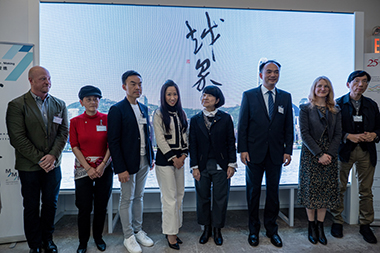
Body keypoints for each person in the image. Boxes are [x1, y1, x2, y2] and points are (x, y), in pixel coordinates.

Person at [6, 66, 69, 253]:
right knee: (32, 206)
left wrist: (53, 156)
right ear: (31, 80)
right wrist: (42, 160)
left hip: (53, 166)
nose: (47, 82)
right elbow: (17, 138)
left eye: (49, 78)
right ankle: (34, 244)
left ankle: (48, 241)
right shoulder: (17, 105)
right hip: (29, 167)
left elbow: (63, 133)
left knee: (51, 204)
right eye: (43, 79)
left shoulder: (59, 104)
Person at [237, 60, 293, 248]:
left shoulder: (285, 97)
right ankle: (253, 230)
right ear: (261, 75)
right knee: (253, 193)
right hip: (254, 153)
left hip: (276, 153)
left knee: (273, 193)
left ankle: (272, 229)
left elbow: (288, 127)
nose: (273, 75)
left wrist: (288, 150)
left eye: (276, 72)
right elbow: (243, 125)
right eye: (268, 72)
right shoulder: (249, 95)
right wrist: (243, 149)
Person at [330, 70, 380, 244]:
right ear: (348, 84)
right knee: (339, 187)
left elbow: (379, 128)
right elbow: (331, 131)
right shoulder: (337, 105)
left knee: (365, 191)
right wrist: (347, 136)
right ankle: (337, 221)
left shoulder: (372, 105)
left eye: (365, 82)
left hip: (366, 151)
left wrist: (374, 135)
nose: (361, 84)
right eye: (357, 81)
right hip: (344, 151)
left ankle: (365, 224)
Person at [108, 70, 155, 253]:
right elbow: (113, 141)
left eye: (140, 84)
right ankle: (128, 236)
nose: (137, 87)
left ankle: (138, 230)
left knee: (139, 196)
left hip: (143, 160)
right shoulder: (117, 109)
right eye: (133, 83)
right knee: (126, 198)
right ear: (124, 86)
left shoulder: (144, 108)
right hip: (127, 164)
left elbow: (147, 136)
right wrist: (120, 168)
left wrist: (150, 157)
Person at [189, 85, 237, 246]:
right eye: (203, 96)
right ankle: (206, 228)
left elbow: (231, 142)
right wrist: (194, 166)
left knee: (220, 198)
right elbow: (193, 145)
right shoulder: (195, 119)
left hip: (222, 165)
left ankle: (217, 229)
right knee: (202, 197)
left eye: (209, 96)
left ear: (217, 100)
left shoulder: (225, 118)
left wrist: (232, 164)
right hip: (202, 165)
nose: (205, 98)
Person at [297, 76, 342, 245]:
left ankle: (320, 226)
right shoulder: (305, 109)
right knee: (311, 191)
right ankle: (311, 226)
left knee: (325, 191)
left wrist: (329, 154)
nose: (322, 89)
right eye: (319, 86)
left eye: (326, 86)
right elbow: (305, 134)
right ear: (314, 88)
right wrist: (319, 154)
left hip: (330, 155)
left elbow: (338, 134)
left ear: (329, 90)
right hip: (311, 155)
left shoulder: (335, 110)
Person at [69, 85, 113, 253]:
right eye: (88, 99)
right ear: (81, 102)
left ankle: (98, 237)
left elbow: (112, 144)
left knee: (101, 206)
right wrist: (88, 168)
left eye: (96, 99)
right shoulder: (75, 121)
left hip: (104, 168)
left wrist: (101, 166)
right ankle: (83, 241)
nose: (93, 102)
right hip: (83, 170)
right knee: (84, 207)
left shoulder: (108, 119)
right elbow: (74, 146)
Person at [153, 80, 188, 250]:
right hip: (165, 162)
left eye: (175, 94)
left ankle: (175, 229)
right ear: (163, 96)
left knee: (180, 195)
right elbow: (159, 139)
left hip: (180, 161)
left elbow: (185, 138)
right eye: (169, 94)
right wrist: (173, 158)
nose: (172, 97)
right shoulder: (158, 114)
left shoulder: (182, 113)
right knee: (169, 199)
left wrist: (183, 156)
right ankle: (170, 234)